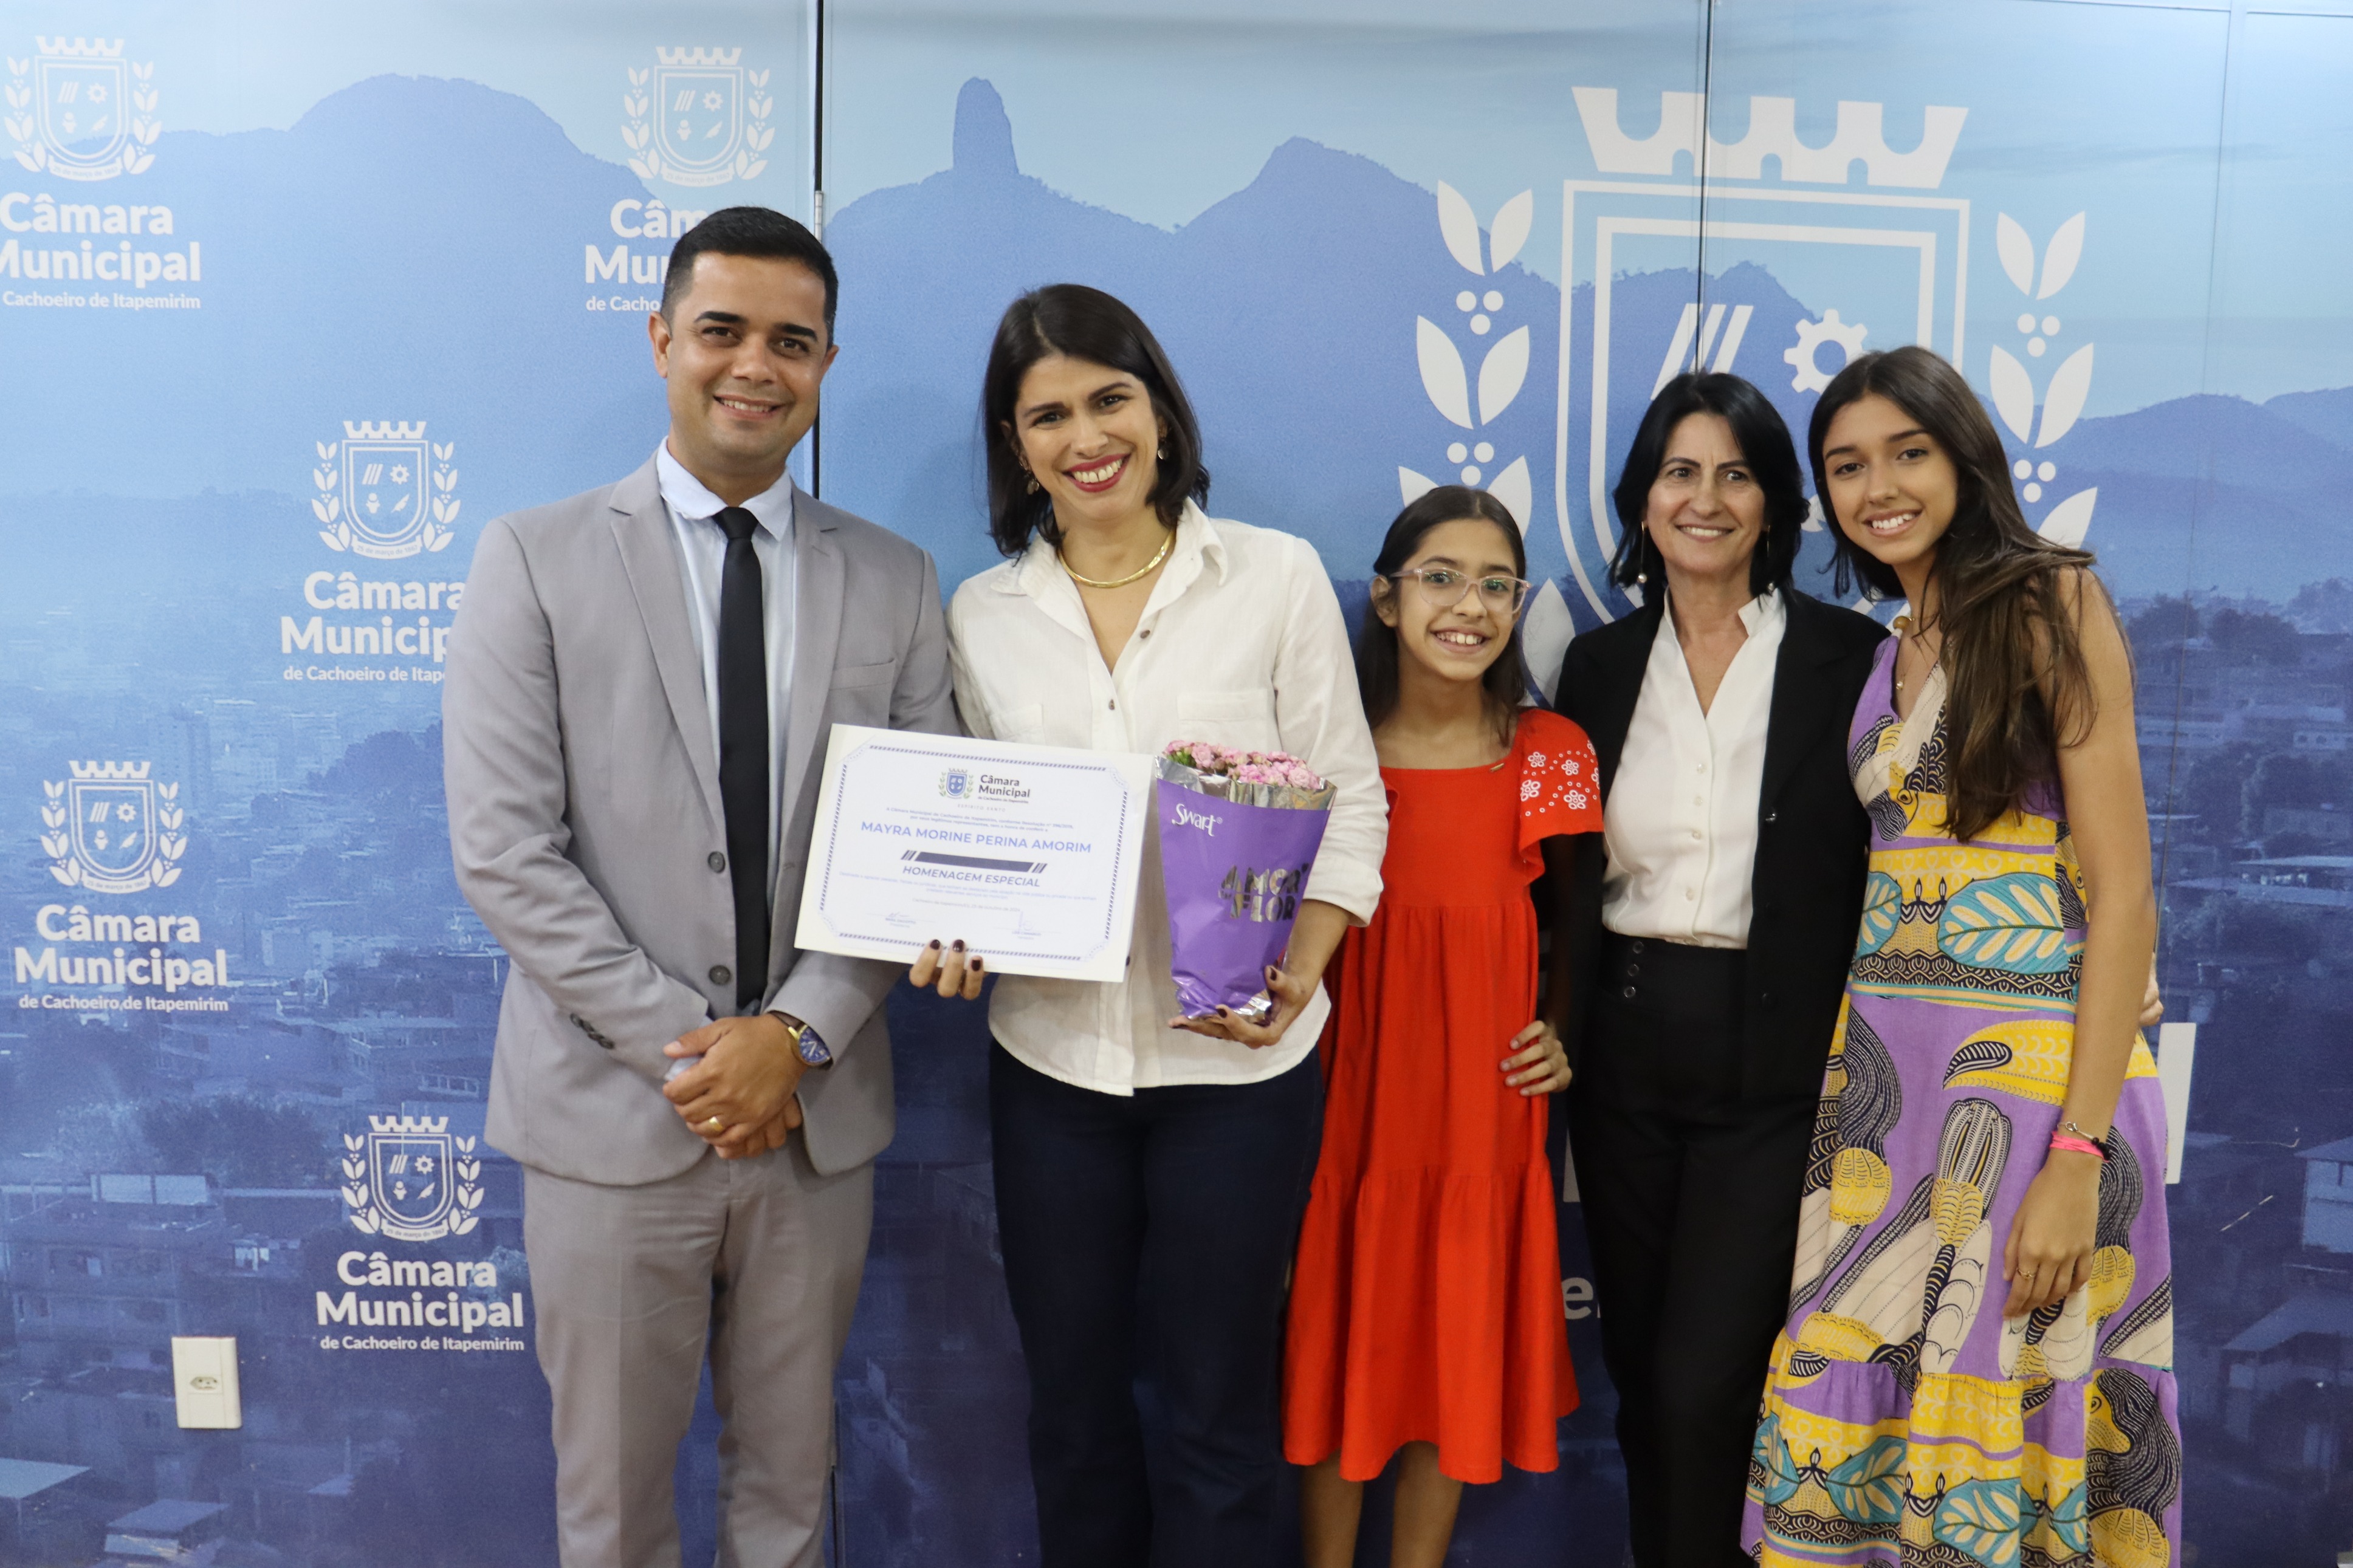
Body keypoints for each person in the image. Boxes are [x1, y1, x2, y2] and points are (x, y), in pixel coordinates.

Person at [442, 207, 957, 1568]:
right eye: (722, 330)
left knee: (791, 1504)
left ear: (827, 362)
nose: (754, 366)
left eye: (792, 341)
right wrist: (703, 1054)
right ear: (662, 338)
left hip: (812, 1119)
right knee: (612, 1511)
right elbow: (505, 850)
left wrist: (792, 1037)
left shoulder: (897, 580)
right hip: (614, 1121)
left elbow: (918, 848)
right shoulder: (534, 556)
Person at [909, 282, 1387, 1567]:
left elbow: (1348, 799)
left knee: (1218, 1415)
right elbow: (969, 829)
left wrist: (1303, 969)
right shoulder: (982, 614)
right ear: (1017, 447)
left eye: (1109, 399)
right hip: (1054, 1063)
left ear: (1161, 414)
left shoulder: (1273, 577)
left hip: (1240, 1072)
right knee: (1073, 1415)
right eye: (1048, 415)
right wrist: (951, 927)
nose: (1086, 436)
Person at [1745, 346, 2180, 1566]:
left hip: (2035, 1093)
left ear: (1965, 455)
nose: (1877, 486)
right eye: (1846, 465)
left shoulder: (2049, 603)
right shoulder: (1894, 639)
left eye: (1908, 452)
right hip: (1889, 1091)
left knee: (2004, 1407)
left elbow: (2124, 891)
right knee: (1866, 1395)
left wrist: (2076, 1156)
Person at [1550, 372, 1889, 1567]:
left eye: (1736, 474)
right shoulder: (1595, 669)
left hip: (1778, 1067)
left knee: (1708, 1386)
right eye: (1680, 472)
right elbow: (1564, 873)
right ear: (1643, 501)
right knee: (1644, 1381)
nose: (1705, 498)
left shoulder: (1853, 658)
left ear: (1777, 504)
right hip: (1624, 1056)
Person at [1282, 486, 1596, 1568]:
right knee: (1344, 1343)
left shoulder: (1548, 748)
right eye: (1442, 578)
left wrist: (1564, 1027)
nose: (1471, 605)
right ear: (1386, 598)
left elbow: (1581, 917)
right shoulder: (1328, 753)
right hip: (1349, 1092)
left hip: (1483, 1104)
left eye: (1497, 584)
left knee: (1454, 1348)